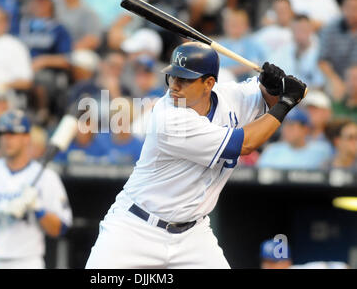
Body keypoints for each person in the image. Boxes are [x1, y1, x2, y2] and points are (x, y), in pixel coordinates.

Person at [85, 41, 307, 268]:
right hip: (135, 229)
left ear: (209, 83)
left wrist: (272, 88)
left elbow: (290, 93)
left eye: (185, 79)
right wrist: (286, 102)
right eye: (172, 76)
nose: (174, 85)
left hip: (193, 235)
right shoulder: (168, 118)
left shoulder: (231, 96)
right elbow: (245, 144)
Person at [0, 110, 73, 268]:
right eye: (2, 134)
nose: (7, 139)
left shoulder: (47, 177)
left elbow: (61, 228)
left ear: (27, 138)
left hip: (27, 261)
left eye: (13, 133)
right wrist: (1, 209)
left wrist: (38, 208)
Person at [258, 108, 333, 170]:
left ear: (305, 129)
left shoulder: (322, 150)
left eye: (291, 125)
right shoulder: (272, 150)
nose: (286, 129)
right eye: (284, 125)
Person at [318, 0, 357, 97]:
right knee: (331, 88)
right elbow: (322, 61)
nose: (351, 12)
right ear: (342, 8)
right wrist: (335, 80)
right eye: (348, 7)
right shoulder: (330, 28)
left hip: (354, 77)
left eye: (355, 8)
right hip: (336, 76)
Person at [269, 15, 325, 89]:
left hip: (310, 94)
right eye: (296, 30)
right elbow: (270, 71)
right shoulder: (283, 51)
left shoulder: (319, 52)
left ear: (310, 30)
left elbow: (320, 84)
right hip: (284, 93)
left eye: (303, 30)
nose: (300, 34)